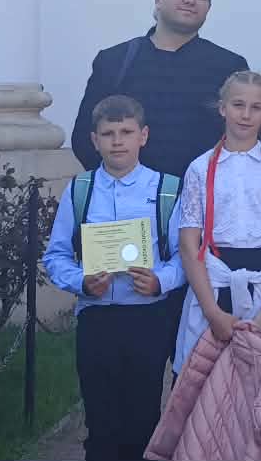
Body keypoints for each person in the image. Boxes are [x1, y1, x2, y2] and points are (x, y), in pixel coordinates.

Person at [173, 70, 261, 461]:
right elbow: (189, 244)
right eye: (237, 105)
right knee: (207, 399)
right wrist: (213, 312)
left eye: (255, 107)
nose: (245, 115)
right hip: (214, 288)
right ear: (222, 108)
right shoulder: (200, 168)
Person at [41, 95, 183, 461]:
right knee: (101, 420)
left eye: (126, 132)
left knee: (143, 416)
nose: (117, 141)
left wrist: (160, 281)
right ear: (94, 140)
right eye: (108, 134)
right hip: (97, 318)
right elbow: (55, 255)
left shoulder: (166, 189)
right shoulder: (80, 189)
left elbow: (185, 258)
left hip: (148, 318)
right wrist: (81, 281)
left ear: (143, 136)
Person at [71, 0, 249, 178]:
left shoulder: (229, 67)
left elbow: (246, 141)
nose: (190, 0)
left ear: (208, 8)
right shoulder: (114, 61)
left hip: (203, 193)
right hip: (129, 194)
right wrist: (122, 185)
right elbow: (85, 137)